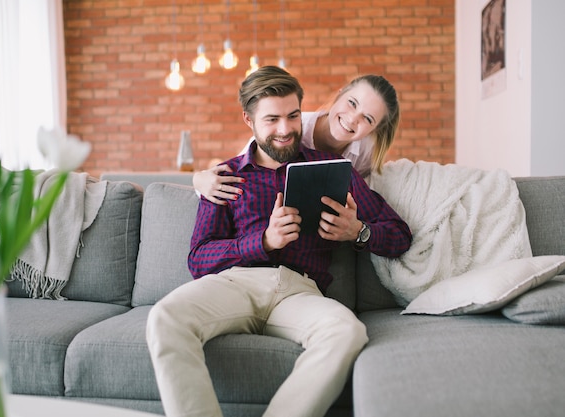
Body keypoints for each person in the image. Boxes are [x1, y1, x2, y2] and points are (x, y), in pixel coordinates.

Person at [146, 66, 411, 417]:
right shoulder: (225, 177)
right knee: (165, 316)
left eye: (293, 116)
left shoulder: (332, 168)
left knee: (347, 331)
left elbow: (399, 233)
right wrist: (263, 241)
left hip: (300, 292)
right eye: (271, 119)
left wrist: (358, 231)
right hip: (235, 283)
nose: (285, 129)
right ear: (249, 120)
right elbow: (198, 259)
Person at [193, 73, 400, 205]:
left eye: (368, 118)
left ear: (375, 129)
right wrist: (198, 180)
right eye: (352, 103)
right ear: (340, 94)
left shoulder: (365, 152)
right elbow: (240, 172)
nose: (353, 119)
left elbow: (364, 200)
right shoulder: (287, 131)